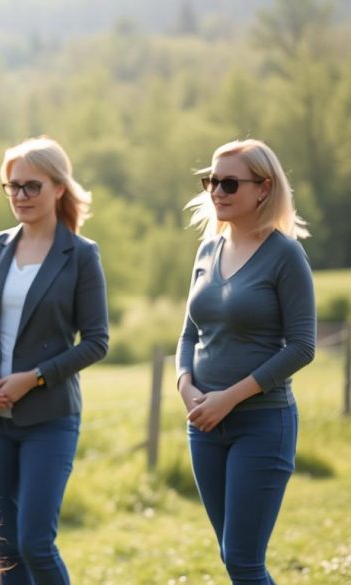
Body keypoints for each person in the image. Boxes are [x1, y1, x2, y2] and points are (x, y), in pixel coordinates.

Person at [0, 136, 109, 584]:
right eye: (12, 187)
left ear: (59, 188)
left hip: (50, 418)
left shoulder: (81, 256)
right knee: (5, 549)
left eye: (32, 187)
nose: (20, 197)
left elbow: (97, 341)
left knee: (35, 544)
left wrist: (35, 378)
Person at [177, 139, 315, 584]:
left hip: (262, 424)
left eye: (230, 182)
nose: (217, 190)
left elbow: (302, 347)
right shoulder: (206, 251)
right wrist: (186, 387)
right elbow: (188, 334)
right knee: (230, 556)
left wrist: (228, 399)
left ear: (264, 188)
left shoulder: (285, 255)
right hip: (204, 427)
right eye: (212, 180)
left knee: (242, 559)